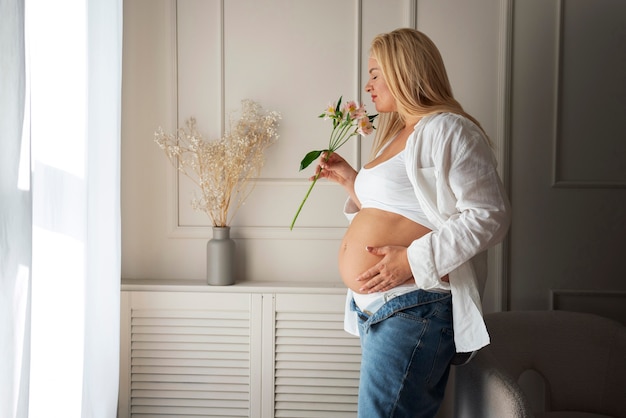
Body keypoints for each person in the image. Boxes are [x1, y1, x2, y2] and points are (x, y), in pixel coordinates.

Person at [312, 28, 511, 417]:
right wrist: (351, 180)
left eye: (375, 73)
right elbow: (403, 208)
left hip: (413, 307)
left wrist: (409, 262)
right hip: (380, 309)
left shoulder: (449, 129)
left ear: (404, 71)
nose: (367, 85)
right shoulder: (398, 135)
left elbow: (490, 215)